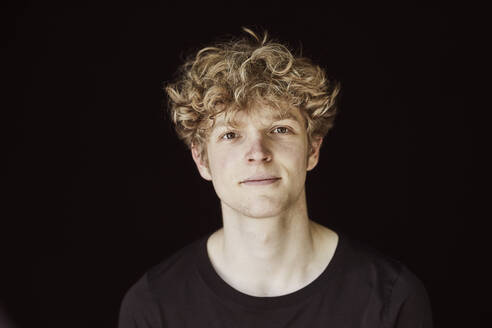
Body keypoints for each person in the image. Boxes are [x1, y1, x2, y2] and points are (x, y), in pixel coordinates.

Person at [118, 28, 433, 327]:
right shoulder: (154, 306)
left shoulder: (391, 298)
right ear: (201, 160)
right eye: (230, 134)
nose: (257, 152)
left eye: (280, 129)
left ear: (312, 150)